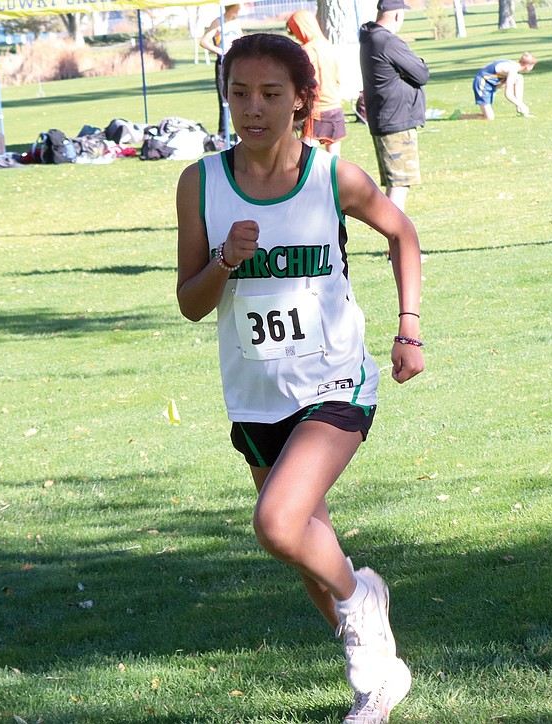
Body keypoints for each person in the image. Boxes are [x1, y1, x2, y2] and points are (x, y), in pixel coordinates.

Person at [176, 32, 425, 724]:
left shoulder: (330, 175)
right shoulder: (200, 182)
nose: (252, 109)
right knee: (309, 548)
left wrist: (409, 327)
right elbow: (191, 304)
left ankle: (363, 602)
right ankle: (376, 678)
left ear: (301, 101)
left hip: (337, 382)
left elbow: (402, 233)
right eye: (239, 94)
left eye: (270, 95)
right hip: (255, 396)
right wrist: (224, 260)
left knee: (278, 523)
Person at [359, 0, 429, 217]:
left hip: (385, 117)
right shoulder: (387, 41)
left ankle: (395, 245)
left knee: (396, 183)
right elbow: (421, 73)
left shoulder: (370, 37)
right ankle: (396, 246)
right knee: (399, 184)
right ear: (397, 15)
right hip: (396, 120)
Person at [286, 10, 346, 156]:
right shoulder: (328, 46)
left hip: (317, 108)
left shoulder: (308, 51)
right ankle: (333, 178)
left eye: (295, 31)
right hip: (335, 106)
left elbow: (306, 82)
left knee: (303, 152)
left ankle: (303, 178)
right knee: (334, 156)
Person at [200, 4, 243, 138]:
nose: (239, 10)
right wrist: (221, 52)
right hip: (223, 63)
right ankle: (223, 132)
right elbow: (204, 41)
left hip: (238, 63)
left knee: (240, 97)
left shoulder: (236, 22)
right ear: (231, 8)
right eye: (237, 8)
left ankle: (239, 132)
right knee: (225, 99)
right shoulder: (218, 22)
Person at [455, 53, 537, 120]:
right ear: (527, 66)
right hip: (482, 84)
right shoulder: (512, 70)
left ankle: (520, 109)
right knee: (489, 117)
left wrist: (519, 105)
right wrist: (522, 105)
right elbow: (508, 94)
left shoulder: (514, 66)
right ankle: (457, 115)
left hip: (492, 83)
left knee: (519, 78)